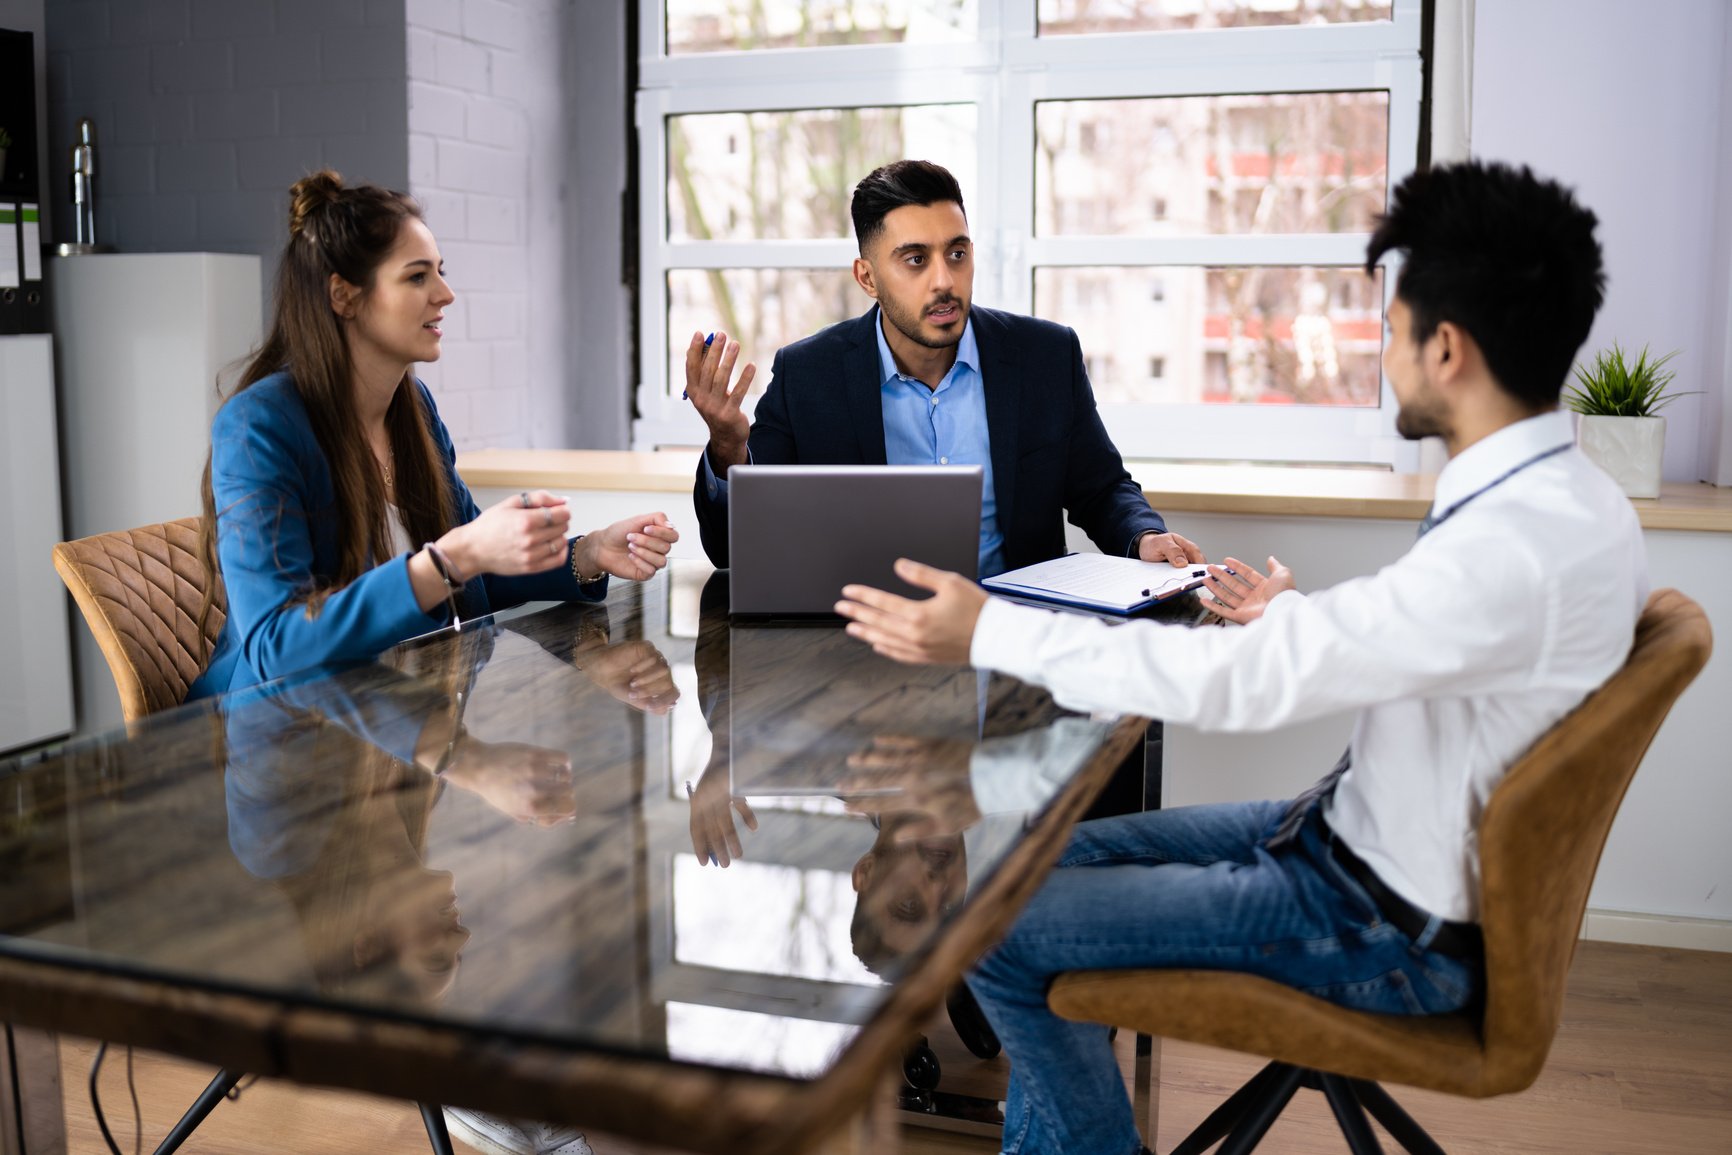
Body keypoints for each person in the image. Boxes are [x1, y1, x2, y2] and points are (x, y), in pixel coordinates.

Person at [834, 160, 1646, 1155]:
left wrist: (988, 630)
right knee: (1022, 873)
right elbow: (1427, 638)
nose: (1380, 351)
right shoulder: (1567, 503)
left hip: (1376, 920)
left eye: (1388, 330)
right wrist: (1295, 616)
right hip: (1348, 839)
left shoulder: (1507, 547)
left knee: (992, 927)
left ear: (1445, 349)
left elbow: (1233, 688)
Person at [189, 170, 679, 701]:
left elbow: (479, 572)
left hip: (397, 730)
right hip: (277, 742)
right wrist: (450, 560)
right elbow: (274, 648)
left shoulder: (413, 409)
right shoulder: (258, 426)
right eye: (417, 277)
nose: (444, 294)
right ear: (344, 296)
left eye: (440, 273)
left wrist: (589, 553)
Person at [683, 159, 1203, 578]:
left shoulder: (1044, 355)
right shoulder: (808, 374)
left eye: (957, 253)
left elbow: (1101, 487)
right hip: (867, 655)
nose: (944, 281)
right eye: (915, 259)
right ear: (867, 277)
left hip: (1015, 637)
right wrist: (729, 449)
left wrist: (1143, 536)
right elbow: (733, 550)